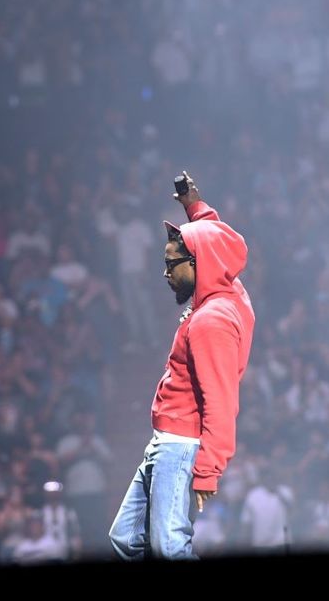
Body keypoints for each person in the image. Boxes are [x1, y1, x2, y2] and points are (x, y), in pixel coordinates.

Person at [109, 171, 255, 560]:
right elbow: (215, 239)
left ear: (198, 263)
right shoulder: (226, 287)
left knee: (170, 547)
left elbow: (221, 400)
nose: (166, 273)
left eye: (173, 264)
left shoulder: (212, 322)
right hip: (165, 441)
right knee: (126, 538)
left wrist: (208, 468)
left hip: (180, 445)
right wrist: (195, 205)